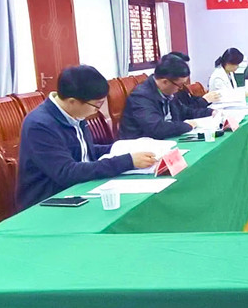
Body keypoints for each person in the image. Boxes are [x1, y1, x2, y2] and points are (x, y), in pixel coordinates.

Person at [16, 65, 156, 210]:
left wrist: (125, 147)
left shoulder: (74, 113)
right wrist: (127, 161)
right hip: (50, 202)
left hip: (80, 188)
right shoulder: (40, 125)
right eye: (97, 105)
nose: (97, 110)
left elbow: (84, 150)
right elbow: (66, 172)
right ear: (72, 101)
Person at [119, 56, 216, 140]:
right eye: (180, 85)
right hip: (141, 147)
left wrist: (210, 112)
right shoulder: (141, 96)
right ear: (165, 82)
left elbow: (185, 112)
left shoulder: (168, 91)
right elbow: (156, 128)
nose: (181, 88)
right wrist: (187, 125)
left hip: (165, 140)